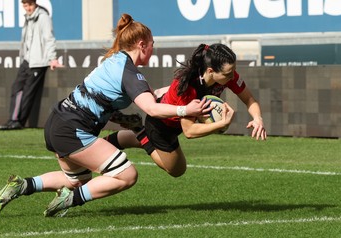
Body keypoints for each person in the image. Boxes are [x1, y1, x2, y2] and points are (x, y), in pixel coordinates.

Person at [0, 14, 210, 217]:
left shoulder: (115, 60)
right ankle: (69, 200)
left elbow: (152, 95)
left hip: (59, 123)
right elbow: (151, 108)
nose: (154, 48)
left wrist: (182, 90)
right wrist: (186, 110)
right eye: (152, 44)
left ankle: (22, 185)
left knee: (77, 180)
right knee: (127, 175)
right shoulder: (130, 73)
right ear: (142, 44)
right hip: (72, 130)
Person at [106, 43, 267, 177]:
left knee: (173, 163)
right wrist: (221, 124)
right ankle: (141, 133)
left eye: (233, 71)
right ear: (210, 71)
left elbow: (249, 99)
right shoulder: (190, 87)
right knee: (176, 170)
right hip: (161, 126)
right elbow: (189, 131)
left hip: (174, 124)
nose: (233, 77)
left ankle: (129, 133)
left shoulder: (225, 74)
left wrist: (258, 118)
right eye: (228, 74)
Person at [0, 0, 63, 130]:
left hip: (38, 62)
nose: (27, 8)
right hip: (27, 61)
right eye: (25, 5)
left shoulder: (43, 17)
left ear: (35, 4)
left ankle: (18, 122)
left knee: (28, 93)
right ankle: (13, 119)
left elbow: (49, 39)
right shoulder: (28, 18)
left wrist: (52, 58)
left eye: (29, 5)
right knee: (16, 89)